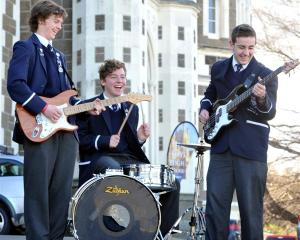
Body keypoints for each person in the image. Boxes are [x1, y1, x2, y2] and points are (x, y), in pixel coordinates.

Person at [7, 1, 103, 239]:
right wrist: (43, 107)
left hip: (65, 132)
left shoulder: (59, 56)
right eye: (55, 21)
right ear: (41, 19)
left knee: (61, 191)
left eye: (61, 22)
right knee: (38, 190)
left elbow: (65, 99)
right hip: (38, 127)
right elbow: (15, 85)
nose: (59, 26)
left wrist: (85, 108)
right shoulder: (25, 47)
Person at [77, 59, 180, 237]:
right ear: (103, 81)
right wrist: (104, 140)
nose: (120, 81)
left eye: (123, 77)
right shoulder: (89, 106)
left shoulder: (131, 108)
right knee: (118, 172)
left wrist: (139, 138)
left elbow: (129, 145)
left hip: (127, 161)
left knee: (172, 182)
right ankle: (124, 227)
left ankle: (161, 234)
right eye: (114, 77)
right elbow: (80, 139)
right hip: (99, 160)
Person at [199, 24, 278, 240]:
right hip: (221, 147)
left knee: (251, 214)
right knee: (215, 211)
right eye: (242, 47)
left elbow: (270, 112)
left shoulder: (266, 75)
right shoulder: (218, 69)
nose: (246, 52)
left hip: (251, 150)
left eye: (251, 47)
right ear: (231, 44)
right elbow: (210, 93)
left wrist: (261, 98)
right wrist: (205, 108)